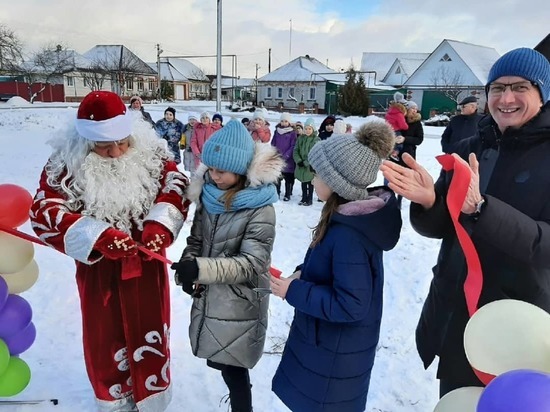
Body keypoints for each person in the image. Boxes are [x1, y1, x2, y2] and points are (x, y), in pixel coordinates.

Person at [380, 47, 550, 397]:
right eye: (497, 88)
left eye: (520, 87)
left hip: (519, 325)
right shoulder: (470, 146)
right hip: (458, 315)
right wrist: (430, 202)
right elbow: (444, 229)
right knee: (457, 399)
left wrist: (482, 210)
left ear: (543, 94)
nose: (506, 98)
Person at [29, 91, 190, 411]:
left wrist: (159, 227)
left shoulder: (151, 154)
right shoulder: (65, 165)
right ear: (85, 143)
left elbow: (176, 185)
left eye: (122, 143)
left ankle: (152, 394)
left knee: (151, 328)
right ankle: (114, 399)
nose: (116, 153)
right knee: (105, 336)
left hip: (146, 264)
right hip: (99, 270)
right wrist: (98, 235)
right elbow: (44, 210)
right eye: (103, 148)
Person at [270, 118, 402, 412]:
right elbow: (330, 268)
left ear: (337, 181)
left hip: (335, 355)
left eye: (318, 174)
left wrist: (293, 291)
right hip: (329, 347)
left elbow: (351, 304)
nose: (313, 180)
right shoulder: (343, 220)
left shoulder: (349, 235)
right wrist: (301, 274)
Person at [171, 119, 284, 412]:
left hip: (240, 301)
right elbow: (196, 240)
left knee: (234, 368)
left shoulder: (260, 209)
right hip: (211, 296)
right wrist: (187, 266)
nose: (213, 175)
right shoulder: (207, 196)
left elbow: (251, 263)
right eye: (210, 168)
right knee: (219, 359)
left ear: (241, 170)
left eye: (221, 170)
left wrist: (201, 269)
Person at [293, 117, 320, 206]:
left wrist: (306, 162)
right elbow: (296, 150)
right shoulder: (300, 139)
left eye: (309, 129)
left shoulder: (316, 140)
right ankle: (304, 198)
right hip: (301, 165)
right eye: (306, 129)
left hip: (310, 166)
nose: (308, 131)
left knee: (310, 182)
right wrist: (299, 160)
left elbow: (315, 153)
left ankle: (309, 199)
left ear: (313, 129)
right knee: (303, 181)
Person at [271, 112, 298, 201]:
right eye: (282, 121)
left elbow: (293, 145)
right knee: (277, 177)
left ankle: (287, 194)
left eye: (286, 121)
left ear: (289, 122)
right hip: (278, 157)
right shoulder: (277, 131)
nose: (284, 123)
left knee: (288, 178)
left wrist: (287, 155)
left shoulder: (292, 133)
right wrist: (274, 152)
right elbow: (273, 143)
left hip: (288, 159)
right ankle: (277, 192)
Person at [385, 92, 409, 161]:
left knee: (391, 143)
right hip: (396, 130)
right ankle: (394, 154)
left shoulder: (389, 112)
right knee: (399, 143)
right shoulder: (399, 114)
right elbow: (403, 125)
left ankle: (388, 153)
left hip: (388, 130)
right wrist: (406, 127)